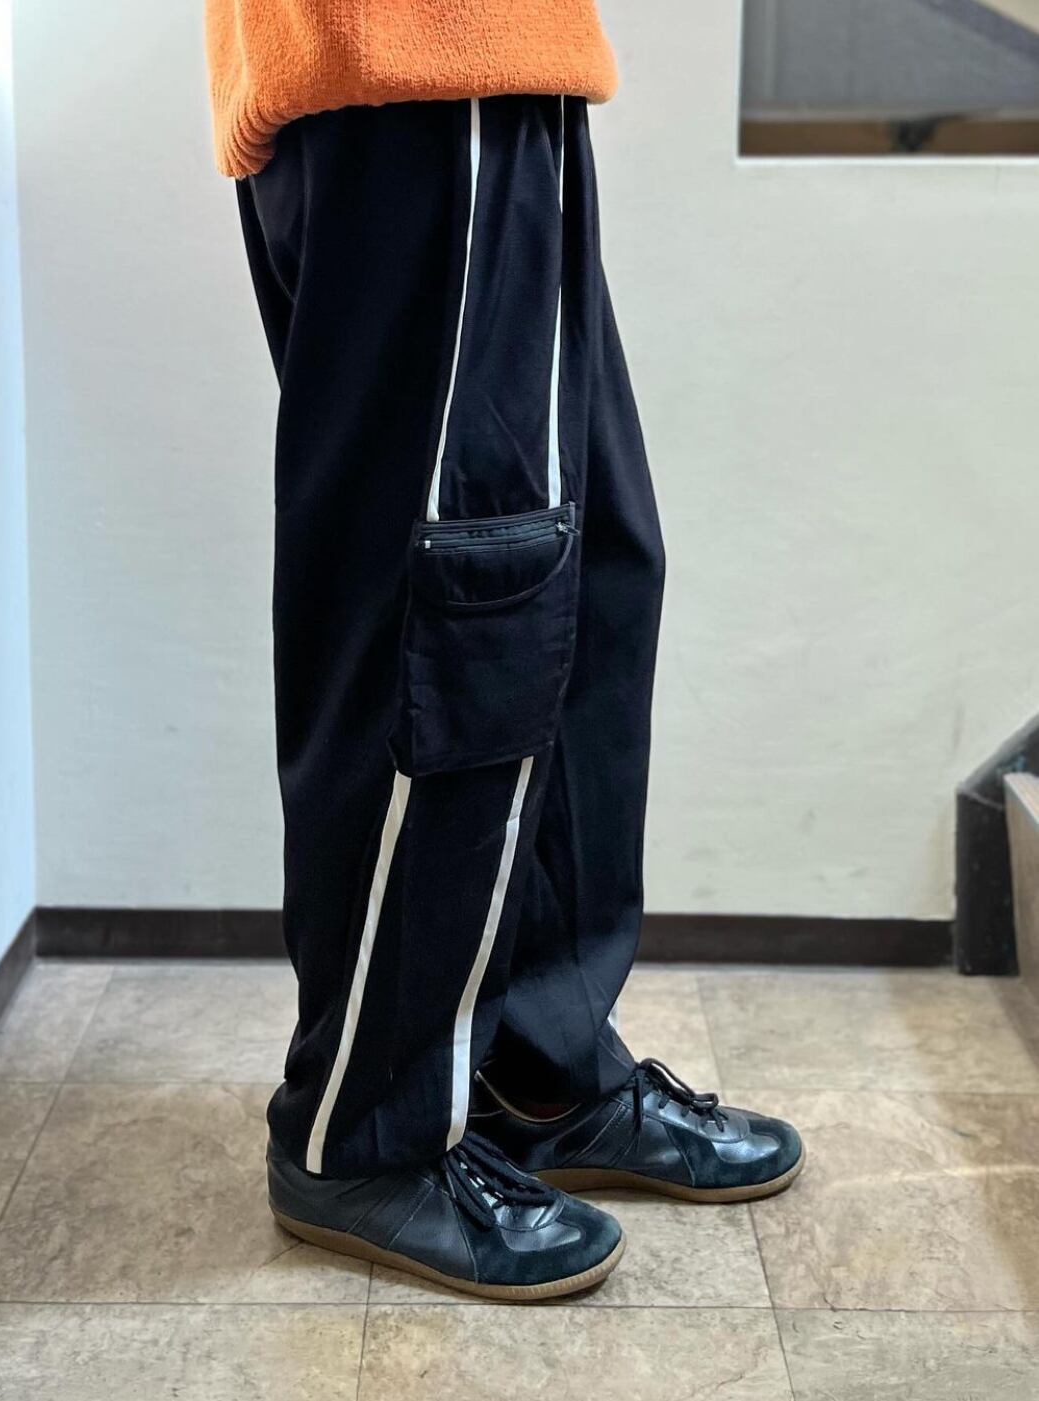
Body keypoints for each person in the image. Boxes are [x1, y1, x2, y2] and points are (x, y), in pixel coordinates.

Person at [204, 0, 803, 1302]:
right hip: (405, 64)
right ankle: (360, 1130)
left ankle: (538, 1065)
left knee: (592, 577)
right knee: (455, 601)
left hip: (494, 66)